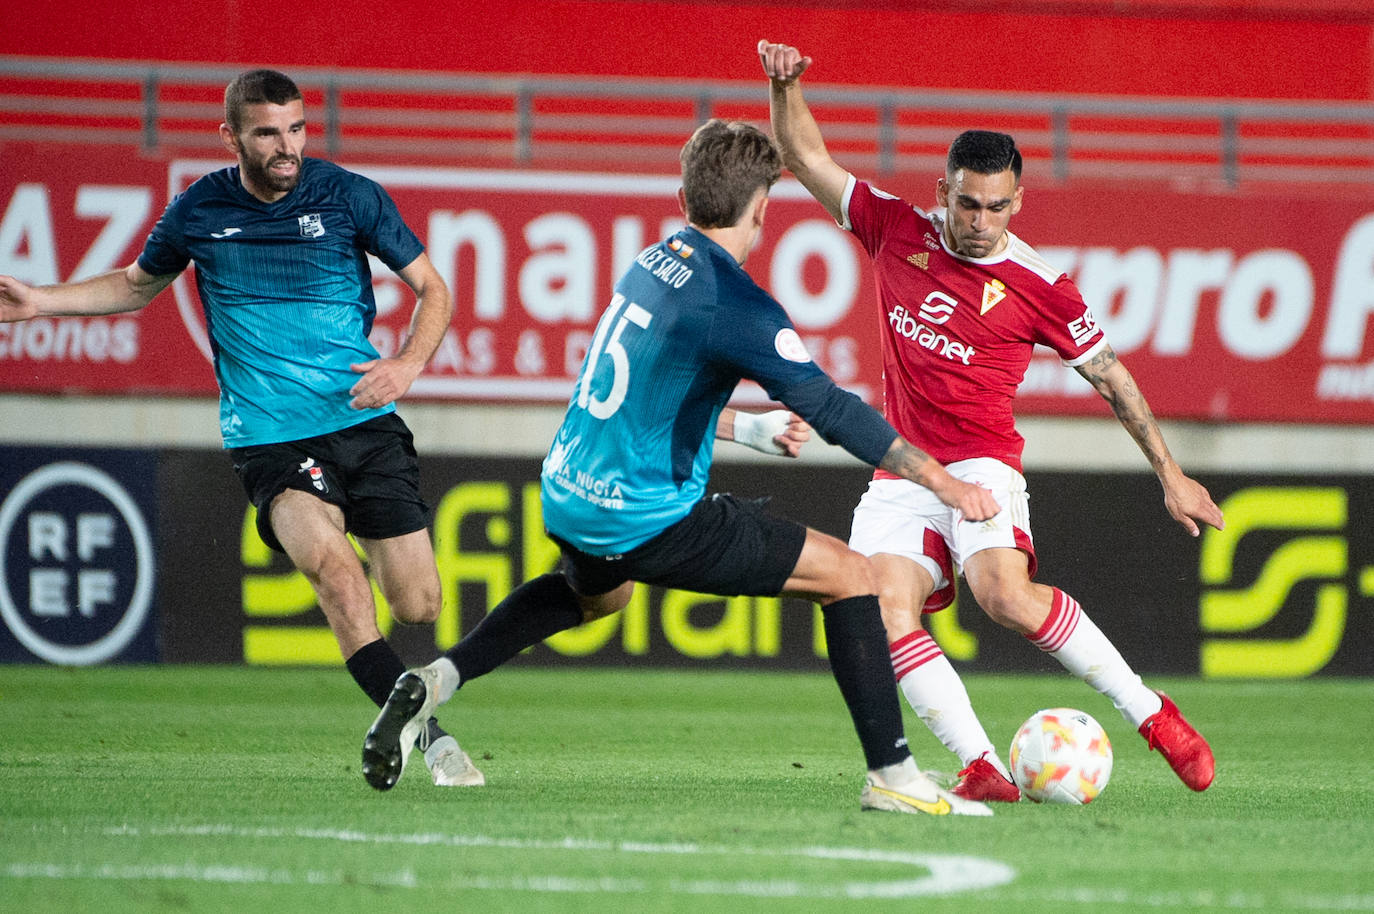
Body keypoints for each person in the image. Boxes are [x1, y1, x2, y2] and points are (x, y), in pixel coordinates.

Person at [361, 118, 1004, 817]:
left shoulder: (654, 260)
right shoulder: (738, 304)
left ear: (684, 196)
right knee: (853, 576)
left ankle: (441, 677)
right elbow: (832, 410)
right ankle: (895, 776)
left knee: (600, 595)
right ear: (761, 209)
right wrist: (944, 481)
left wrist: (744, 427)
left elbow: (635, 394)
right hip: (646, 516)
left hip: (569, 489)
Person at [758, 40, 1224, 802]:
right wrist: (786, 87)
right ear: (943, 190)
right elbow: (805, 156)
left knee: (1003, 594)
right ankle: (982, 766)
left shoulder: (1042, 286)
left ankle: (1153, 714)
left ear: (1018, 202)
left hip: (981, 465)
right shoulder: (895, 229)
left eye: (996, 206)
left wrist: (1171, 474)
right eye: (967, 203)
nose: (979, 221)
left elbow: (1112, 379)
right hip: (902, 464)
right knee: (880, 609)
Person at [0, 70, 479, 787]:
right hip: (268, 437)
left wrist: (409, 364)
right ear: (231, 137)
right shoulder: (201, 209)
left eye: (295, 129)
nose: (286, 147)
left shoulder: (349, 196)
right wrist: (40, 301)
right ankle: (433, 741)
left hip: (362, 421)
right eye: (266, 133)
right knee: (335, 574)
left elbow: (433, 288)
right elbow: (137, 283)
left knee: (418, 604)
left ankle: (405, 697)